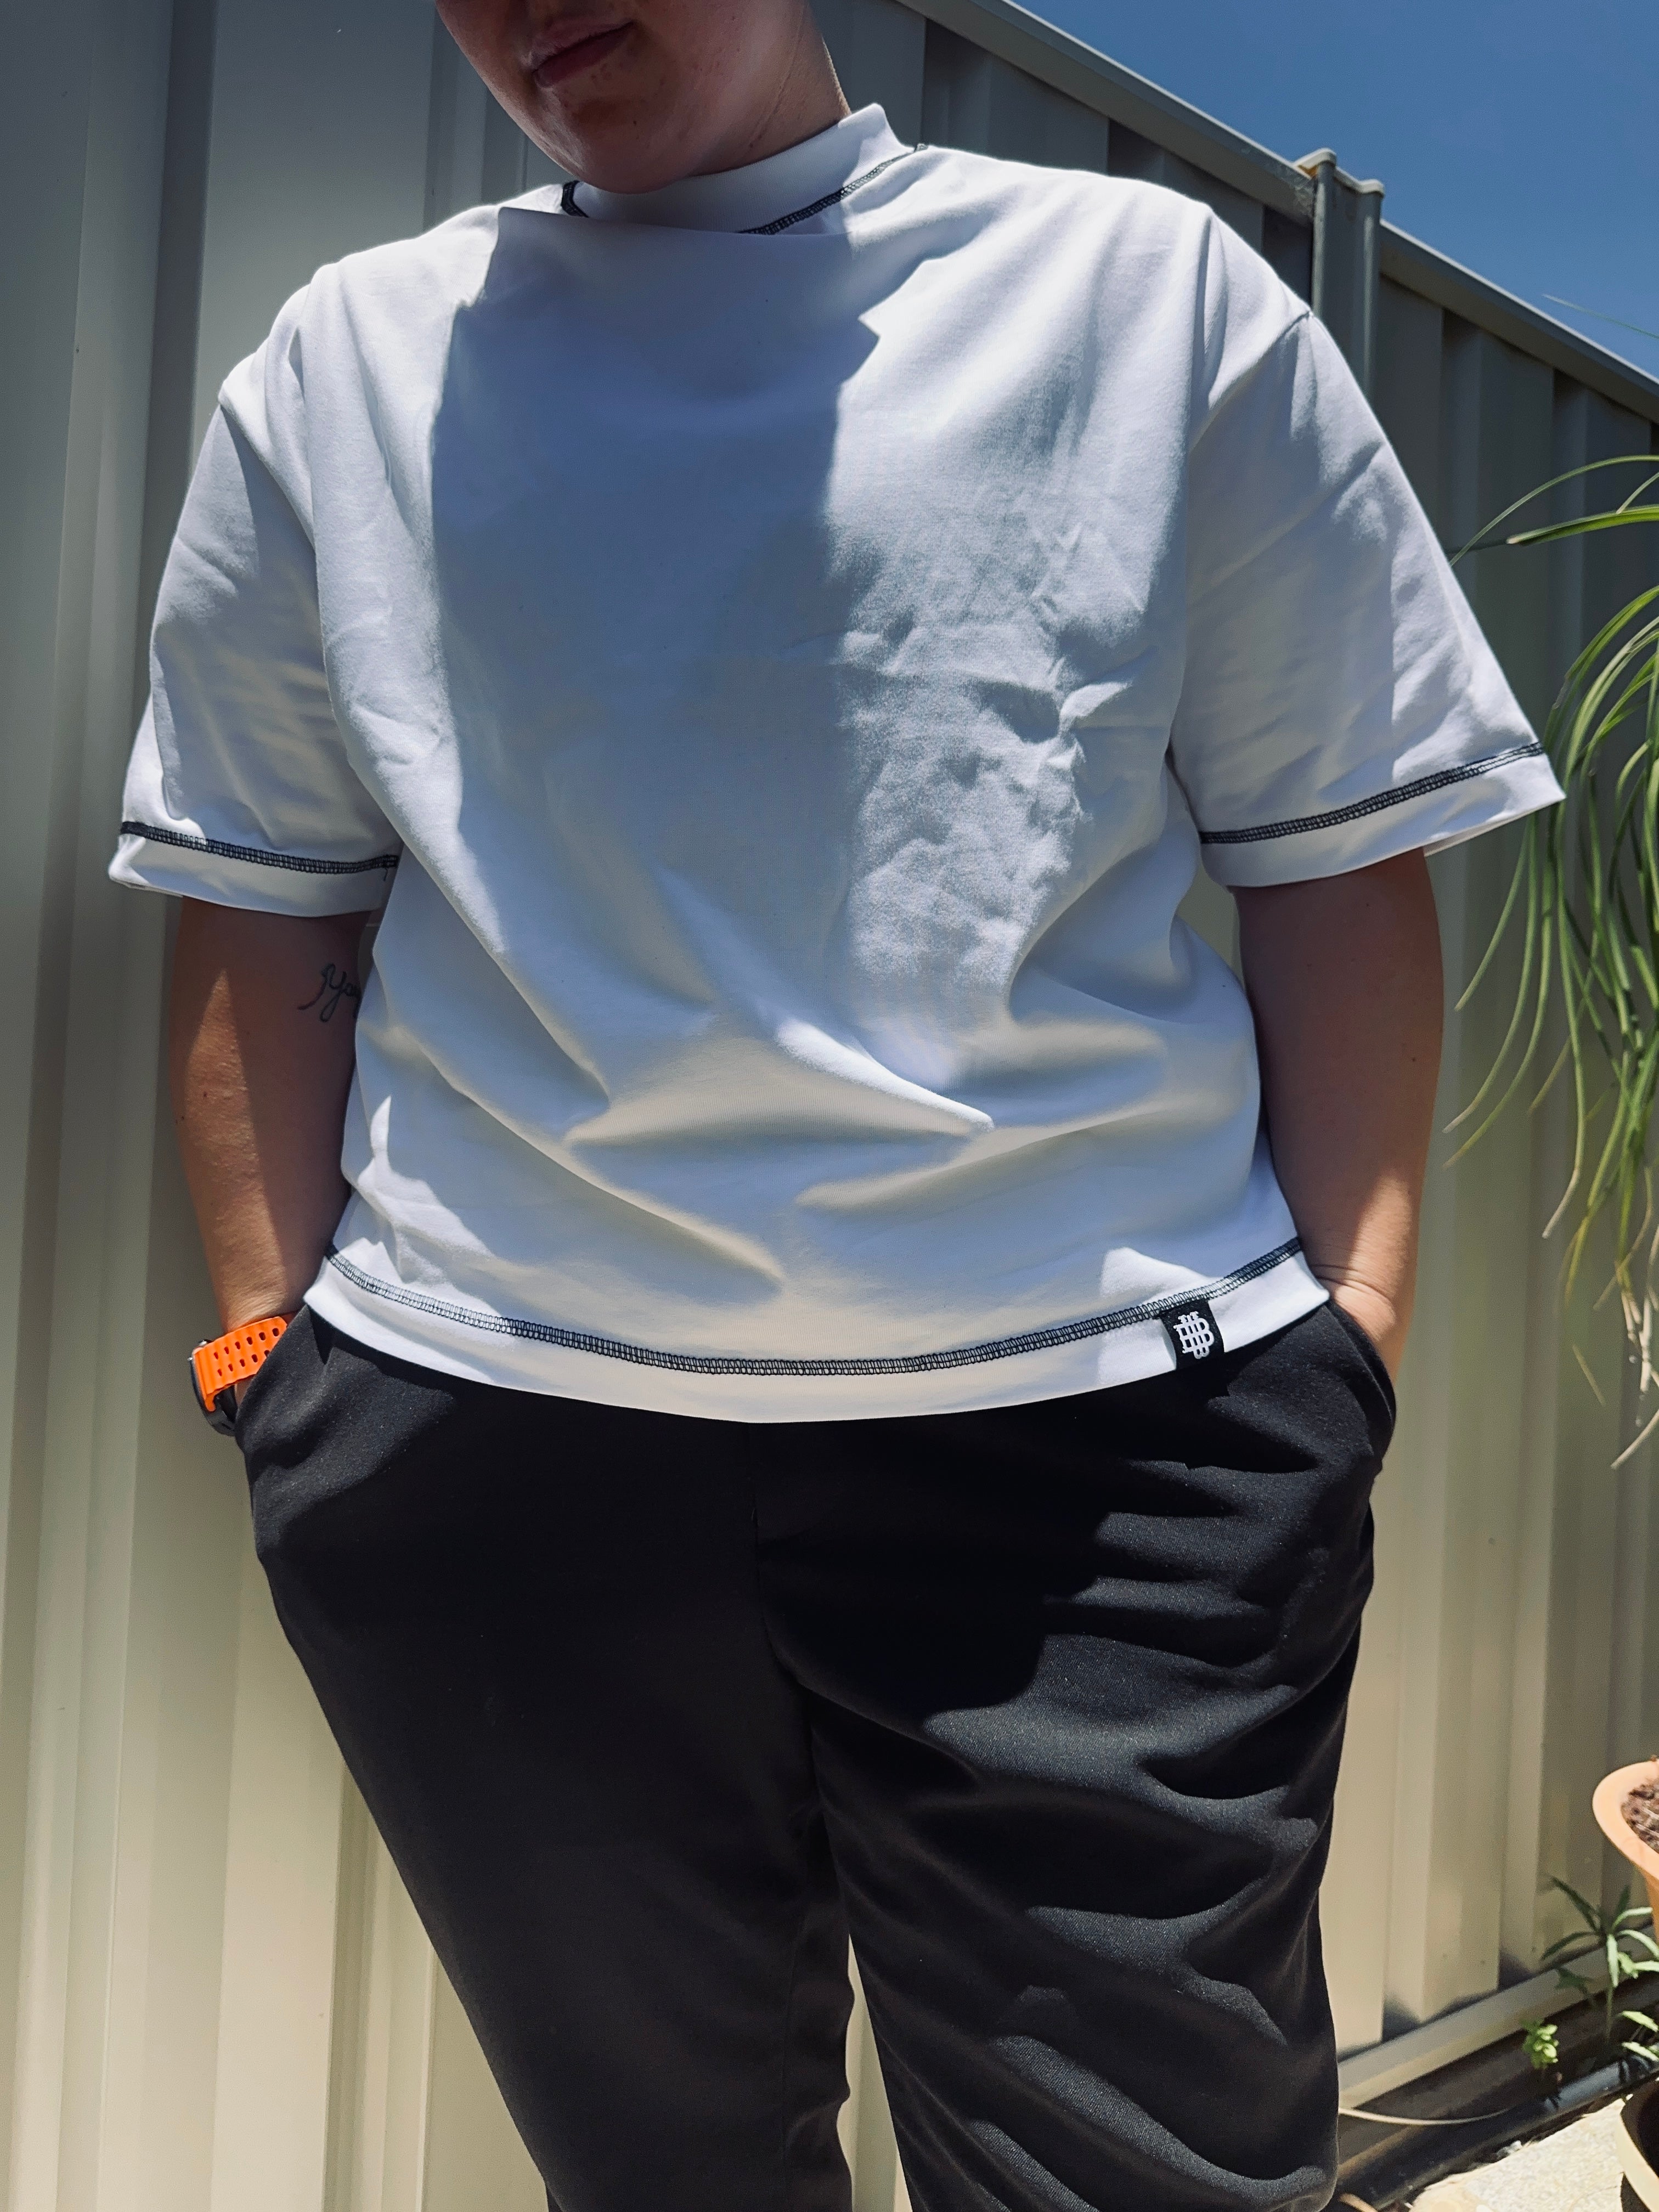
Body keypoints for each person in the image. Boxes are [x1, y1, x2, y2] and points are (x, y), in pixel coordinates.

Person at [110, 2, 1561, 2206]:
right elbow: (260, 885)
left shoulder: (1138, 301)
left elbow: (1336, 846)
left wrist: (1342, 1349)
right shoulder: (353, 363)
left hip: (1106, 1472)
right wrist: (269, 1364)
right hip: (493, 1458)